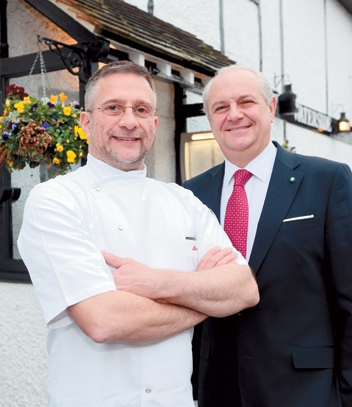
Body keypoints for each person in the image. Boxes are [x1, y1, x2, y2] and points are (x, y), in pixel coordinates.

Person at [17, 60, 259, 407]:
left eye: (141, 110)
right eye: (113, 107)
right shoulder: (56, 200)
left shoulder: (182, 201)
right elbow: (104, 320)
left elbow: (244, 288)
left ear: (154, 124)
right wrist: (202, 303)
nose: (129, 121)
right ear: (86, 121)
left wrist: (155, 283)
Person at [183, 65, 352, 407]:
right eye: (220, 107)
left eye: (246, 102)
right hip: (216, 390)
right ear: (209, 117)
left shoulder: (326, 181)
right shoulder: (190, 194)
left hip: (305, 391)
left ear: (271, 108)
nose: (234, 115)